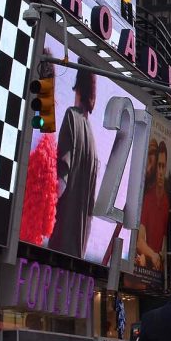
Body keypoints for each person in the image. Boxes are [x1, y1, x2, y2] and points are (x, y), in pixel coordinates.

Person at [52, 69, 98, 259]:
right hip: (78, 250)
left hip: (60, 240)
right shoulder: (93, 142)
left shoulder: (71, 116)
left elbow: (61, 181)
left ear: (77, 88)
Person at [136, 140, 171, 271]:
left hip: (157, 272)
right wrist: (153, 255)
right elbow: (139, 241)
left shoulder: (167, 203)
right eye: (159, 166)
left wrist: (159, 257)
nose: (161, 172)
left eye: (164, 166)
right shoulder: (147, 198)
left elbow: (165, 243)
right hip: (143, 268)